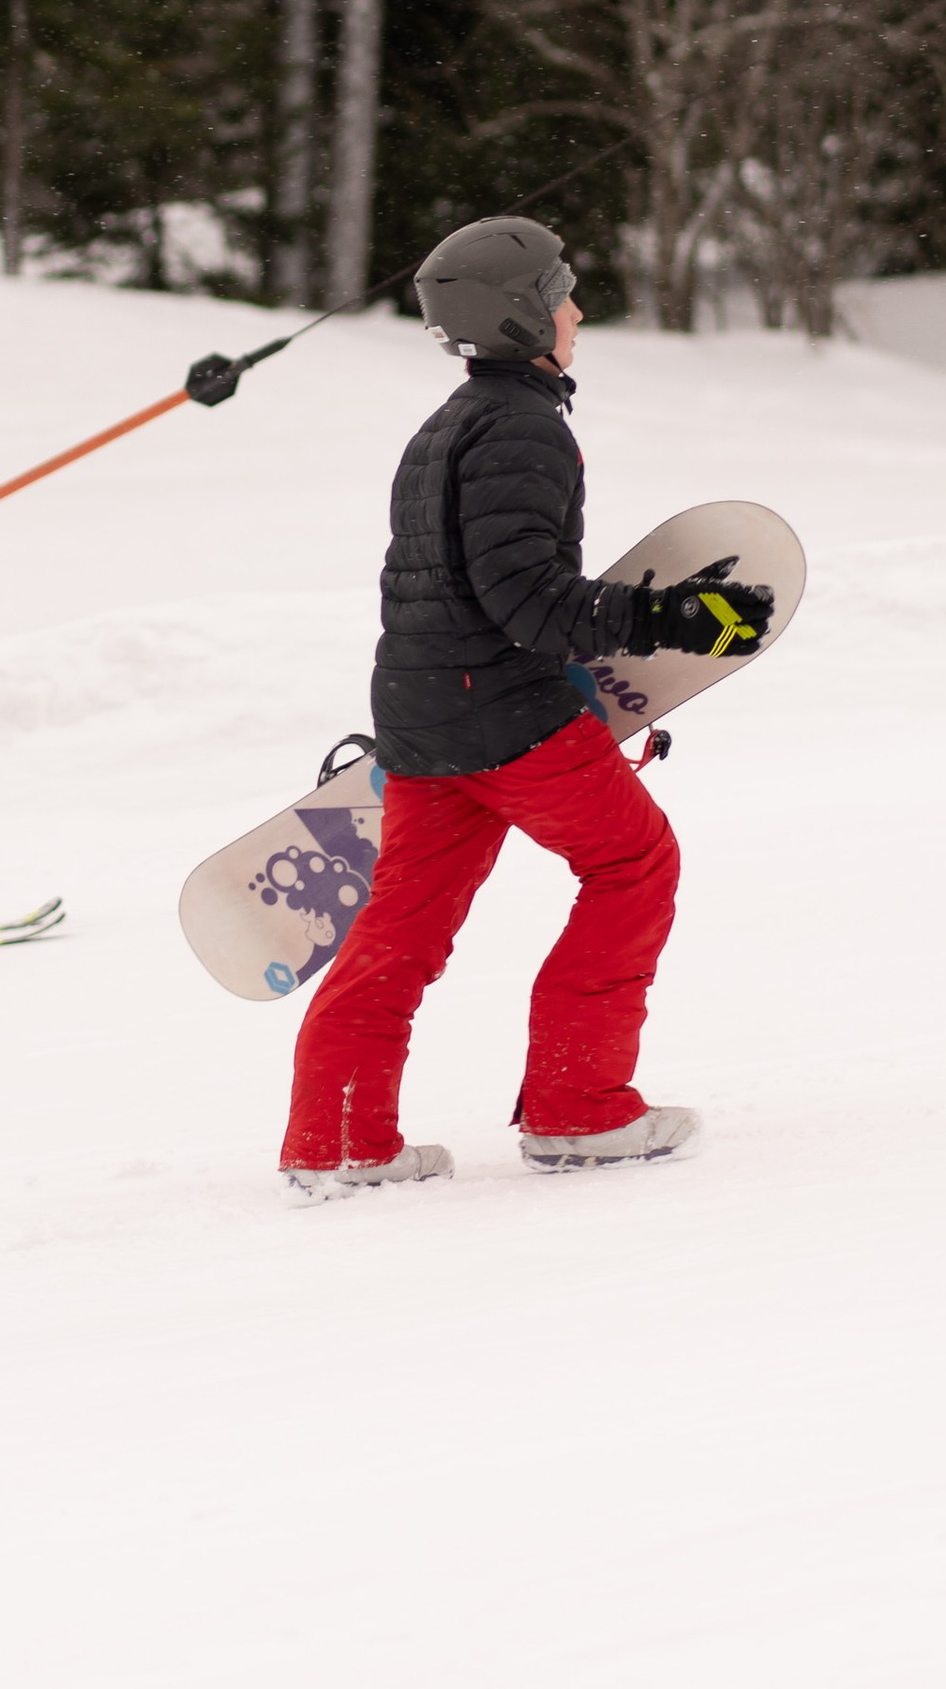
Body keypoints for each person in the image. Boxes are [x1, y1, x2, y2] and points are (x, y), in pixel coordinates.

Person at [279, 218, 772, 1200]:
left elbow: (447, 591)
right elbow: (528, 602)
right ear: (523, 315)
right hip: (505, 718)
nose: (577, 311)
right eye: (563, 293)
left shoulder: (443, 430)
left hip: (424, 722)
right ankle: (576, 1108)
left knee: (400, 939)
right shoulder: (522, 430)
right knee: (633, 864)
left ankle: (338, 1141)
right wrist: (672, 616)